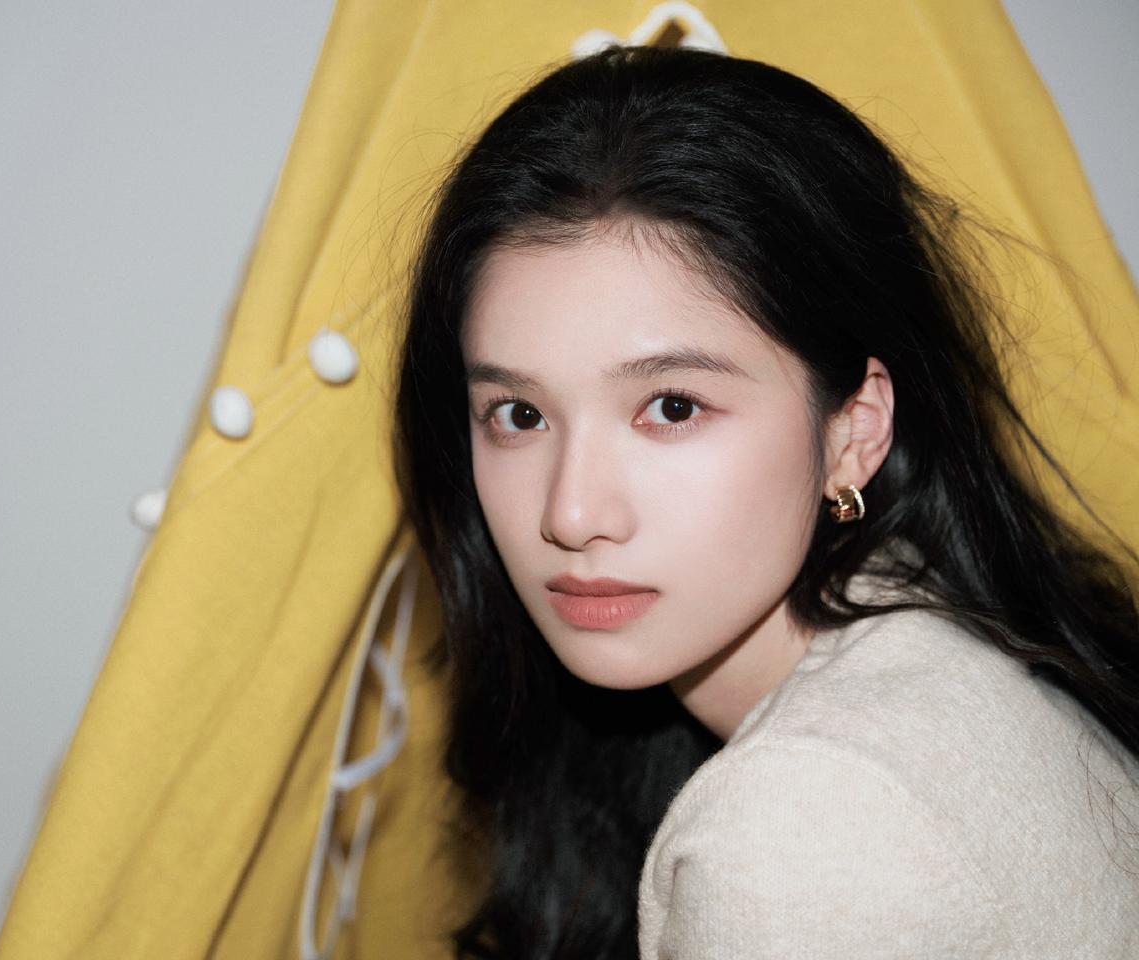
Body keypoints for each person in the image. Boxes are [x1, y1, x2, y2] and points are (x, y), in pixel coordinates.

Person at [393, 45, 1139, 959]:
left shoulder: (806, 827)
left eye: (673, 407)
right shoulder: (938, 641)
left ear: (854, 430)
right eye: (519, 414)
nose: (572, 514)